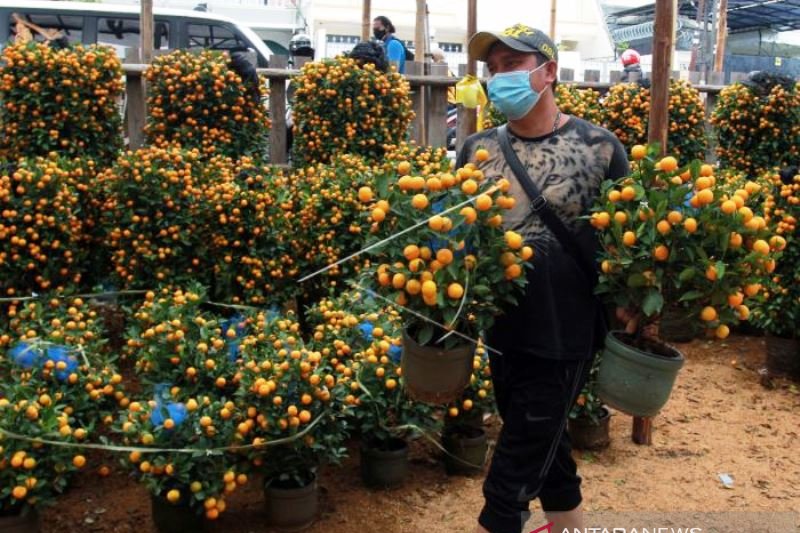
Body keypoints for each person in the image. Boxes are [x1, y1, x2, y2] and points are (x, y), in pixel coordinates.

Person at [456, 23, 629, 533]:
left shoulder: (600, 148)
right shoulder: (475, 149)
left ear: (547, 71)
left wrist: (635, 309)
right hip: (502, 330)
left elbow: (630, 243)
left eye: (512, 65)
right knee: (545, 451)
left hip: (566, 333)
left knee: (508, 478)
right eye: (493, 69)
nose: (499, 77)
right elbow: (461, 233)